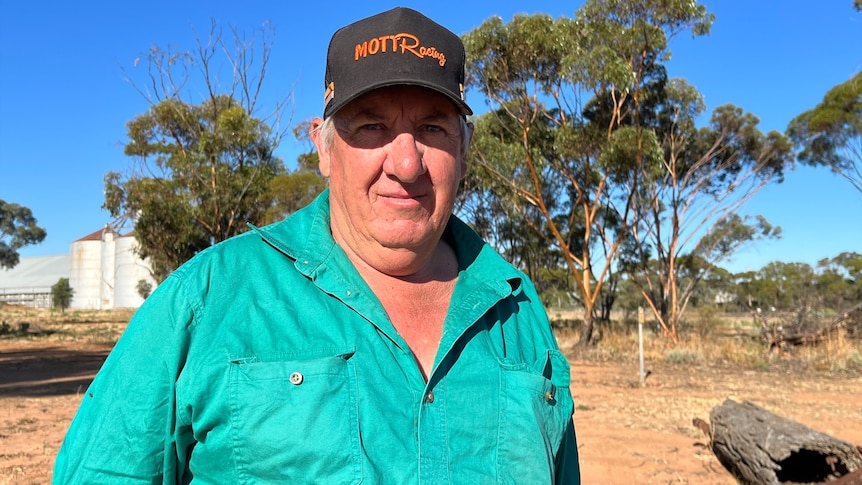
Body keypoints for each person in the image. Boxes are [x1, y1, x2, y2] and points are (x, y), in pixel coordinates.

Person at [53, 7, 580, 484]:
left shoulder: (515, 305)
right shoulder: (205, 299)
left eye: (432, 128)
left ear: (464, 151)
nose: (405, 164)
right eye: (371, 126)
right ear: (323, 147)